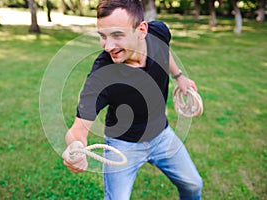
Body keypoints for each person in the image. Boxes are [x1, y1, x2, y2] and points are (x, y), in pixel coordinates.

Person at [62, 0, 203, 199]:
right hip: (123, 146)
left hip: (162, 136)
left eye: (117, 35)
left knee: (193, 185)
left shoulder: (159, 32)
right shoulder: (102, 75)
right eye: (102, 36)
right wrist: (75, 146)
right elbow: (79, 129)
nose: (109, 46)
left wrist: (179, 76)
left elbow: (165, 51)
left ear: (142, 29)